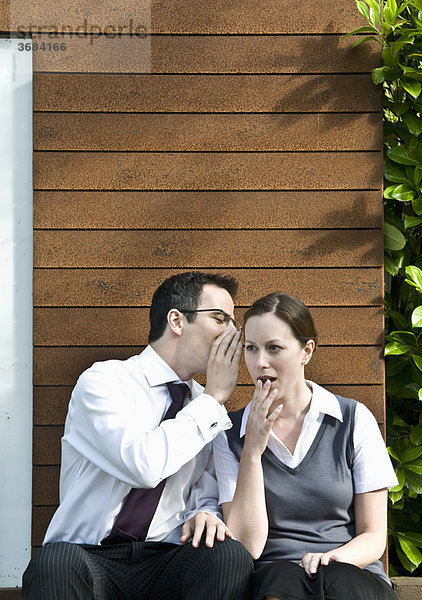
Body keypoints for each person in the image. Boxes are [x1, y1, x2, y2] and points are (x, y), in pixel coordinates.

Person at [23, 271, 253, 600]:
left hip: (166, 558)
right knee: (55, 562)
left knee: (229, 556)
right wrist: (213, 399)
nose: (233, 334)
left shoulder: (205, 406)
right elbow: (142, 466)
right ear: (177, 320)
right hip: (89, 557)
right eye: (220, 319)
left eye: (234, 323)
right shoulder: (105, 382)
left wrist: (206, 513)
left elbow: (206, 488)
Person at [213, 292, 398, 600]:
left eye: (274, 348)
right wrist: (253, 451)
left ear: (306, 351)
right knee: (281, 581)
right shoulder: (229, 433)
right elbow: (248, 545)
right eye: (251, 348)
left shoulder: (353, 419)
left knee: (341, 583)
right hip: (274, 577)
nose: (260, 362)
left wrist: (333, 558)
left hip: (350, 568)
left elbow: (374, 536)